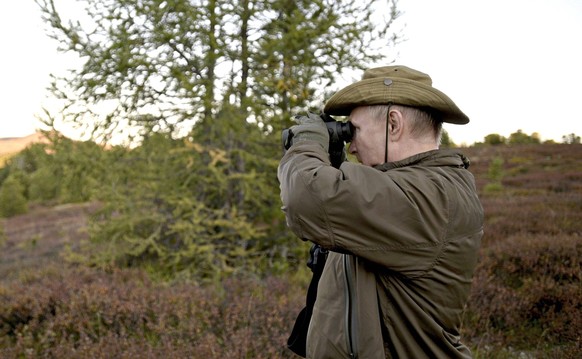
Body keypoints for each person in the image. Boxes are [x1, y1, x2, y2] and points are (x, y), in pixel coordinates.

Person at [278, 65, 484, 358]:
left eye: (355, 131)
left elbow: (307, 198)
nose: (352, 148)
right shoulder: (408, 189)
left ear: (393, 124)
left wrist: (307, 143)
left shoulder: (432, 196)